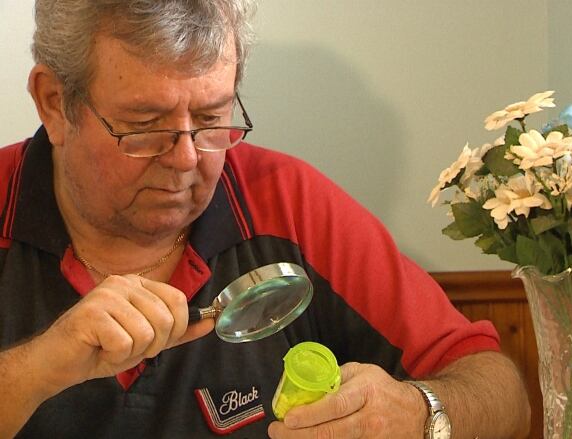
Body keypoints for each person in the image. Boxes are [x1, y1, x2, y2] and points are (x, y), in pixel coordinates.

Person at [0, 1, 531, 438]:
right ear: (54, 104)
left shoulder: (288, 203)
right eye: (144, 124)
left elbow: (499, 390)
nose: (187, 158)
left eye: (212, 119)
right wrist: (35, 369)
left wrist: (420, 411)